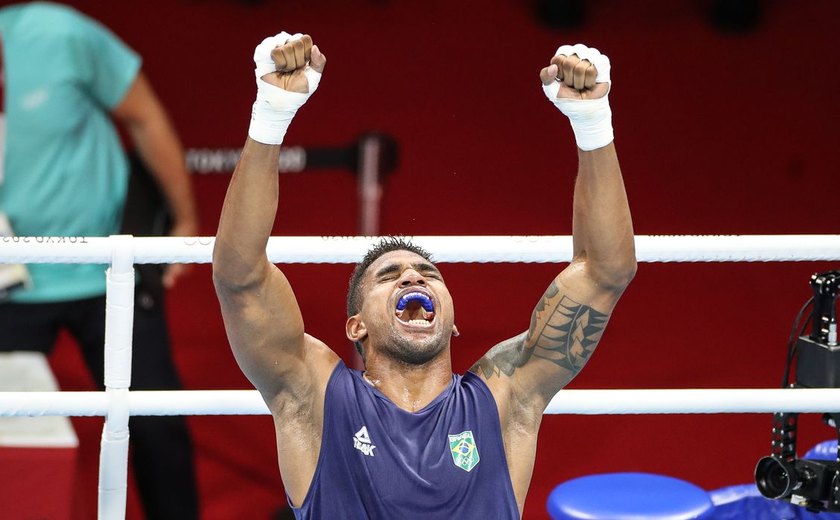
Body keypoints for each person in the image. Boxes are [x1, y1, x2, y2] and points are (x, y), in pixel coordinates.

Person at [213, 32, 635, 519]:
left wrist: (592, 121)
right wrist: (272, 112)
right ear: (356, 326)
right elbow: (239, 275)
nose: (413, 277)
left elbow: (605, 272)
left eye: (428, 273)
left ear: (452, 321)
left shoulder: (504, 398)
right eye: (389, 274)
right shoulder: (315, 398)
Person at [0, 3, 199, 519]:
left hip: (108, 269)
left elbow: (145, 115)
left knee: (158, 425)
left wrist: (182, 222)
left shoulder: (58, 31)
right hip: (6, 282)